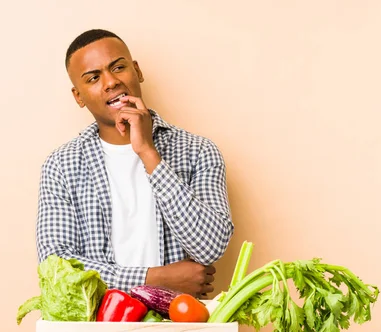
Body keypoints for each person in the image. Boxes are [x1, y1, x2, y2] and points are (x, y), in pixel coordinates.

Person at [35, 29, 234, 298]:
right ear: (78, 96)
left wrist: (148, 152)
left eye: (118, 67)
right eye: (93, 78)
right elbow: (58, 268)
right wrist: (155, 279)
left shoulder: (198, 151)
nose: (110, 82)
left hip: (178, 330)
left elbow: (210, 247)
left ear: (137, 71)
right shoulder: (62, 165)